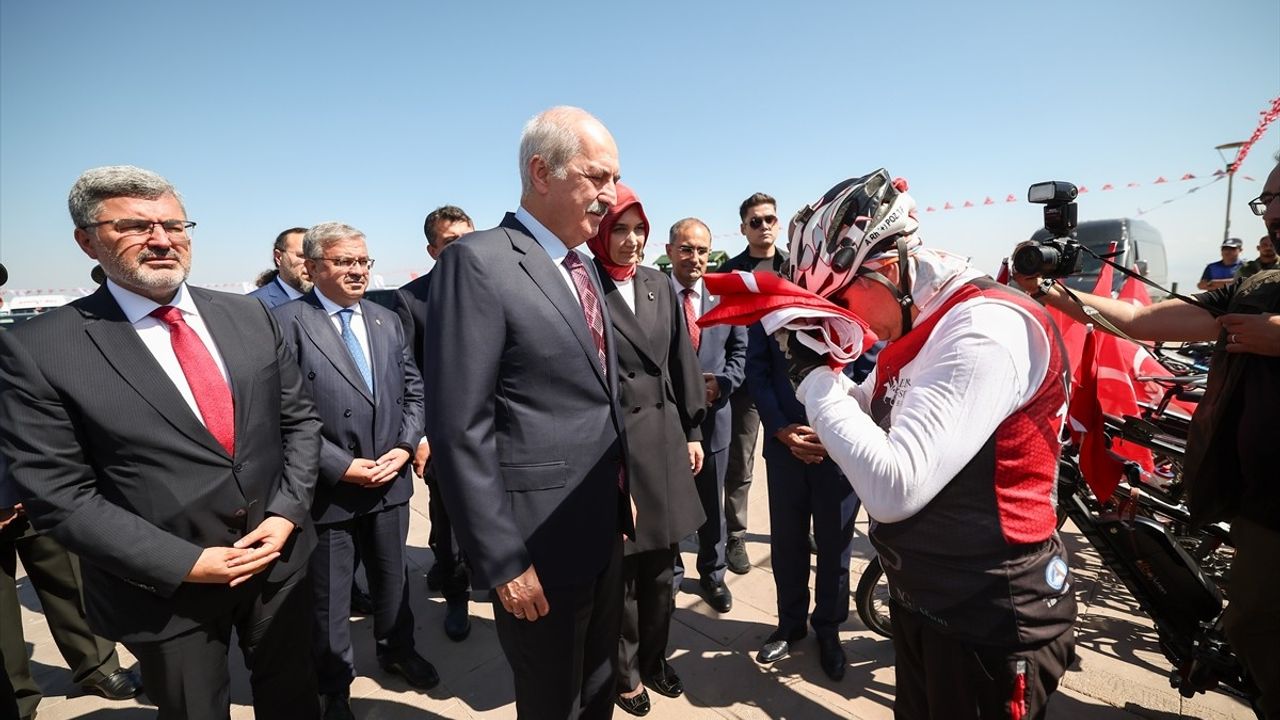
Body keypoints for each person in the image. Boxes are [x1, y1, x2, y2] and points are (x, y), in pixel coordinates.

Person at [0, 165, 324, 720]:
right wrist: (186, 563)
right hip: (164, 592)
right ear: (86, 240)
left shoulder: (248, 315)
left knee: (295, 700)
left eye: (174, 224)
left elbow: (299, 423)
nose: (161, 239)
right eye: (134, 226)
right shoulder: (40, 348)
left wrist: (287, 513)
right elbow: (59, 495)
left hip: (278, 560)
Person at [783, 169, 1077, 718]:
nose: (844, 320)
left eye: (841, 299)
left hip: (990, 619)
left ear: (888, 268)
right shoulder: (917, 320)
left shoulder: (979, 330)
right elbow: (866, 410)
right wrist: (823, 383)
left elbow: (895, 489)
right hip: (928, 601)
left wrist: (813, 381)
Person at [1016, 159, 1280, 717]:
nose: (1275, 214)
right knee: (1252, 623)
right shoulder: (1257, 290)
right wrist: (1060, 297)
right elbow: (1140, 320)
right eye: (1269, 201)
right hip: (1260, 498)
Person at [422, 106, 632, 720]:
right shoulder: (480, 262)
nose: (610, 196)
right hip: (535, 544)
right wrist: (503, 560)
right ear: (542, 172)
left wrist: (622, 493)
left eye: (615, 179)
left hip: (600, 527)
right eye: (598, 178)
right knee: (550, 700)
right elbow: (460, 427)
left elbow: (596, 396)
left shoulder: (584, 266)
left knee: (598, 687)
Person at [273, 222, 436, 719]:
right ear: (314, 266)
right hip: (330, 489)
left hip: (389, 478)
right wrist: (340, 466)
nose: (358, 271)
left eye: (363, 261)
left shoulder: (386, 320)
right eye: (345, 262)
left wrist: (406, 446)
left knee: (394, 580)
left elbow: (413, 390)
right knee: (330, 596)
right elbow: (279, 414)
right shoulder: (287, 323)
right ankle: (333, 683)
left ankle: (397, 650)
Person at [585, 185, 705, 717]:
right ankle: (625, 673)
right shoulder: (583, 285)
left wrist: (694, 431)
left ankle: (655, 658)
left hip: (664, 443)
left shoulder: (659, 284)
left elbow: (682, 363)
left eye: (639, 230)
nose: (632, 241)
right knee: (625, 577)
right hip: (616, 449)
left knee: (663, 569)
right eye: (620, 229)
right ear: (599, 232)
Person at [746, 317, 861, 681]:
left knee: (835, 547)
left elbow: (871, 370)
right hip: (785, 450)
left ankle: (828, 629)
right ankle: (790, 624)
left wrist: (838, 431)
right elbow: (758, 372)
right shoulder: (771, 312)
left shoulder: (854, 305)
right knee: (787, 542)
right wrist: (780, 428)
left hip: (839, 450)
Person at [392, 204, 476, 642]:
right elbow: (411, 375)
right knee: (448, 523)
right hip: (445, 434)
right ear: (432, 249)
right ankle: (456, 594)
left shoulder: (497, 284)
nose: (461, 249)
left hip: (501, 429)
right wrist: (420, 436)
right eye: (450, 243)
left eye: (467, 238)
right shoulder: (412, 299)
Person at [667, 218, 748, 615]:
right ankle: (672, 573)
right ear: (670, 252)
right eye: (686, 249)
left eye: (701, 250)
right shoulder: (655, 295)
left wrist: (724, 382)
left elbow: (740, 353)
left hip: (715, 420)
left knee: (711, 507)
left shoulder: (724, 296)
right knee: (668, 502)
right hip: (667, 424)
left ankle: (713, 575)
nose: (694, 258)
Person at [715, 192, 788, 575]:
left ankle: (796, 529)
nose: (764, 227)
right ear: (743, 228)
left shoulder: (796, 266)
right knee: (740, 465)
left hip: (791, 381)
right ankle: (736, 537)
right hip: (746, 383)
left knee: (794, 458)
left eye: (770, 219)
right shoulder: (732, 272)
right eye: (755, 221)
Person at [249, 226, 312, 307]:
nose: (311, 263)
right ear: (278, 257)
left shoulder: (329, 299)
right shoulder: (254, 304)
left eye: (315, 256)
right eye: (302, 256)